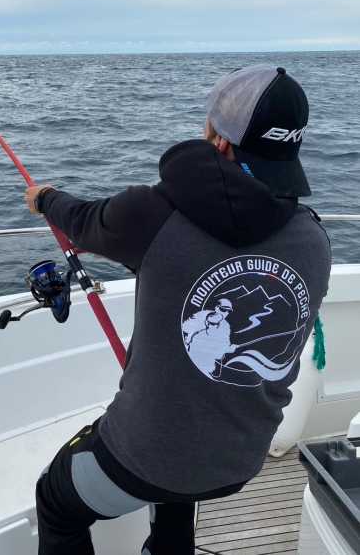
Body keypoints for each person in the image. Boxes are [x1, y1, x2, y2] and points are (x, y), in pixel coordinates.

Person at [24, 65, 331, 555]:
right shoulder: (314, 240)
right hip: (238, 463)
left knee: (56, 500)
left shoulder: (150, 214)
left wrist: (44, 198)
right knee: (176, 483)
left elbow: (80, 221)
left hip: (143, 461)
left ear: (221, 140)